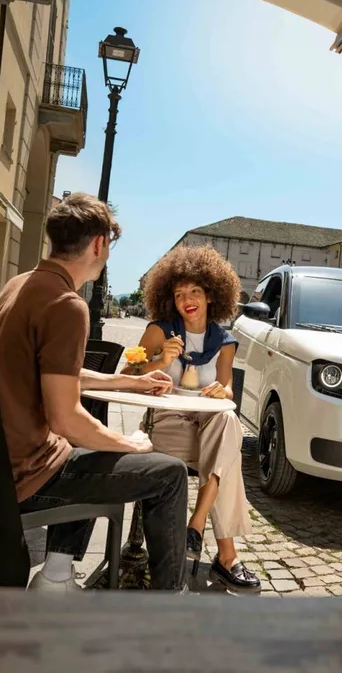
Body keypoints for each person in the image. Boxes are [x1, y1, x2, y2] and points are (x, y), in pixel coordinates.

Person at [0, 193, 189, 593]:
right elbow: (65, 417)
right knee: (170, 475)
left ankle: (56, 576)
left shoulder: (21, 284)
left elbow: (55, 374)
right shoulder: (67, 305)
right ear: (99, 244)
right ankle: (171, 603)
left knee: (91, 450)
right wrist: (131, 444)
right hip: (24, 475)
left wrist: (126, 381)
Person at [128, 245, 261, 592]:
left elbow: (228, 388)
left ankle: (197, 523)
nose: (187, 299)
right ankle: (226, 556)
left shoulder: (225, 342)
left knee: (226, 423)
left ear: (211, 296)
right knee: (228, 450)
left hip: (207, 429)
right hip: (167, 425)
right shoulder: (160, 331)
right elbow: (127, 373)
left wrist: (222, 391)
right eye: (179, 294)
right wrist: (158, 361)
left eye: (195, 292)